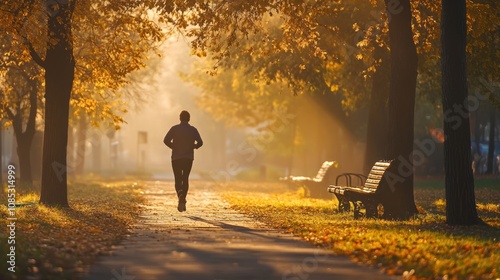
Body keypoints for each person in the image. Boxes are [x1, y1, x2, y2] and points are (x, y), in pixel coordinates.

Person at [163, 110, 203, 212]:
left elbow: (165, 140)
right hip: (188, 158)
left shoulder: (174, 129)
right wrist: (194, 147)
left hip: (176, 157)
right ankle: (183, 198)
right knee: (185, 178)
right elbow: (200, 142)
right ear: (189, 119)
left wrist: (173, 147)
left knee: (177, 178)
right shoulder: (193, 130)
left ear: (180, 118)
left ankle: (180, 195)